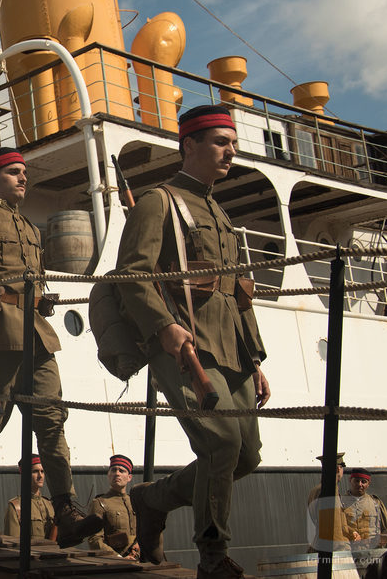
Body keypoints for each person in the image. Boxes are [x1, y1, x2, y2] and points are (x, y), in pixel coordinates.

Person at [115, 105, 270, 578]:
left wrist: (255, 359)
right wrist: (163, 326)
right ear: (189, 145)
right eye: (221, 142)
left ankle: (152, 500)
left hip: (232, 352)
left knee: (247, 456)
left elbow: (237, 292)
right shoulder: (158, 202)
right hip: (183, 348)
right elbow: (131, 274)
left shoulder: (219, 212)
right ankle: (212, 556)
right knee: (221, 443)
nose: (231, 151)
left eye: (233, 143)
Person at [0, 146, 101, 548]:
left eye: (23, 172)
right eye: (13, 172)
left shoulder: (29, 227)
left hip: (36, 336)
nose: (23, 177)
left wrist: (42, 301)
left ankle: (66, 509)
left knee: (52, 421)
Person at [88, 454, 139, 558]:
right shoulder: (100, 503)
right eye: (113, 470)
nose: (117, 474)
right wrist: (118, 558)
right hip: (113, 562)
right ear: (108, 474)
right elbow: (94, 539)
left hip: (139, 559)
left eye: (122, 471)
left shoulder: (135, 502)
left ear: (129, 477)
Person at [308, 452, 358, 551]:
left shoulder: (315, 490)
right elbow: (334, 523)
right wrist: (340, 548)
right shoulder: (332, 490)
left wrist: (351, 532)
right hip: (333, 549)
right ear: (339, 468)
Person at [3, 454, 56, 540]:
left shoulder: (50, 505)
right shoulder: (16, 506)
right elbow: (14, 543)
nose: (40, 475)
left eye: (42, 471)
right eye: (35, 471)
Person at [344, 468, 387, 548]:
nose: (360, 484)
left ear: (368, 484)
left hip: (373, 552)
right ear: (350, 480)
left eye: (363, 482)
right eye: (356, 481)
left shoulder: (376, 503)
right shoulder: (340, 502)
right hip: (349, 551)